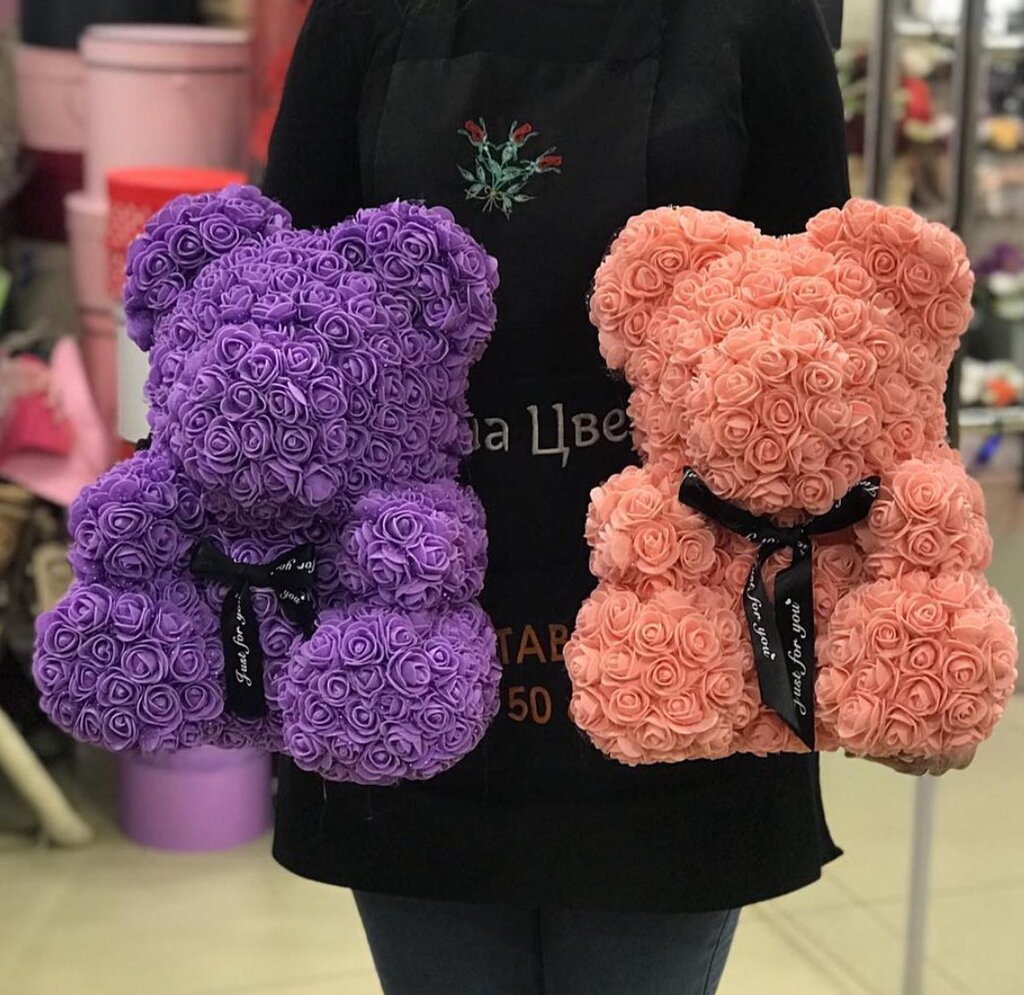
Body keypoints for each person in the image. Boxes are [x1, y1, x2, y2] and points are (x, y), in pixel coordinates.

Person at [263, 2, 850, 992]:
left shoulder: (759, 19)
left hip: (683, 676)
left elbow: (834, 341)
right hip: (403, 657)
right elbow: (282, 312)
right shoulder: (365, 15)